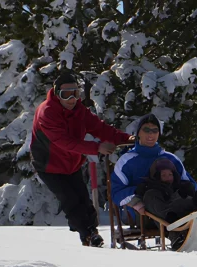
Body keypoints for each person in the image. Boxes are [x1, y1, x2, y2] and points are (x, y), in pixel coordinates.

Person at [30, 72, 134, 247]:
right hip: (49, 165)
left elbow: (100, 129)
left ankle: (92, 233)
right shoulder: (47, 112)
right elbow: (63, 142)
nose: (71, 99)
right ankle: (87, 234)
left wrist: (125, 139)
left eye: (76, 94)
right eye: (66, 94)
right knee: (70, 200)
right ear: (56, 94)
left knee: (83, 200)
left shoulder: (79, 111)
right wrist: (96, 148)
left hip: (71, 164)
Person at [110, 114, 197, 223]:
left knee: (192, 195)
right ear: (138, 133)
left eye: (155, 130)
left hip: (177, 205)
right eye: (146, 130)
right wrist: (136, 191)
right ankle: (176, 227)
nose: (151, 134)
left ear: (159, 134)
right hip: (143, 213)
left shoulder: (171, 158)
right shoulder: (126, 161)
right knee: (151, 195)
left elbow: (190, 184)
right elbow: (116, 195)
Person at [134, 158, 197, 249]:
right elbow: (164, 213)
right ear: (157, 176)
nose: (168, 178)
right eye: (164, 175)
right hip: (171, 226)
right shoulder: (151, 193)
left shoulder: (180, 187)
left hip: (192, 221)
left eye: (170, 174)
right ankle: (180, 238)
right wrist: (181, 200)